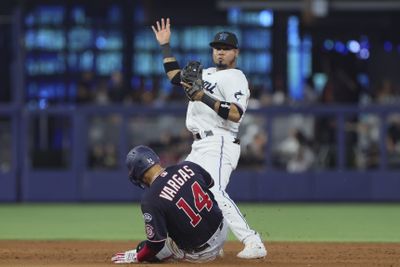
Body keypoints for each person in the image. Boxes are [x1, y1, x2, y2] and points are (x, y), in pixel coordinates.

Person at [151, 18, 266, 259]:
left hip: (220, 141)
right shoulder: (206, 73)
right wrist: (165, 45)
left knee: (216, 193)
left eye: (225, 48)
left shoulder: (236, 76)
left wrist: (203, 96)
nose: (220, 52)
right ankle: (212, 243)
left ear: (236, 52)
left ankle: (253, 241)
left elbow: (235, 113)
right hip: (199, 145)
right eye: (217, 48)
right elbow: (174, 76)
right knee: (189, 193)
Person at [111, 145, 228, 264]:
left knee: (144, 249)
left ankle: (204, 254)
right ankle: (216, 248)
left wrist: (137, 257)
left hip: (201, 253)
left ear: (138, 175)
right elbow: (209, 183)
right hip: (223, 229)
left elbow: (155, 245)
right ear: (155, 159)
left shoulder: (150, 199)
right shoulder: (187, 165)